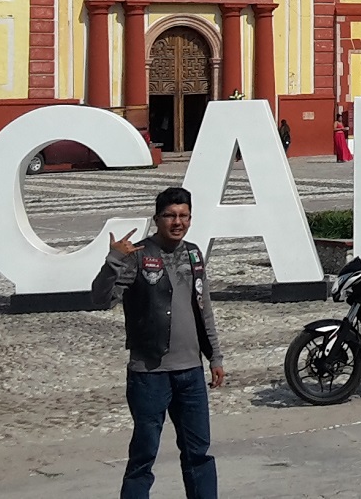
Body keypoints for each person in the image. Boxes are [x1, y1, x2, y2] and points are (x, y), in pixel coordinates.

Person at [92, 187, 224, 499]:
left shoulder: (193, 253)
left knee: (199, 454)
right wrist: (113, 259)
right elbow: (99, 299)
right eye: (170, 216)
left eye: (183, 215)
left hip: (191, 372)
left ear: (190, 219)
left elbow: (203, 307)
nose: (177, 222)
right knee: (143, 455)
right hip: (149, 374)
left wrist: (215, 356)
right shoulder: (136, 255)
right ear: (157, 219)